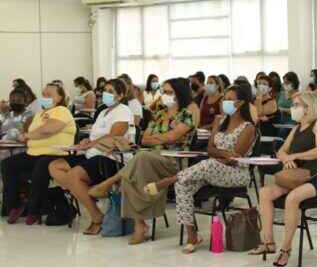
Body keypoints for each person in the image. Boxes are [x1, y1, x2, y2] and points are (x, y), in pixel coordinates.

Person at [87, 78, 197, 244]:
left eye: (169, 92)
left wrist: (159, 138)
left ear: (179, 94)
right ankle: (140, 225)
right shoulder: (159, 112)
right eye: (163, 91)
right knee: (135, 172)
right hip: (149, 159)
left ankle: (110, 182)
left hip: (173, 161)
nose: (164, 95)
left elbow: (172, 137)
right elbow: (145, 139)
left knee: (140, 157)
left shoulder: (186, 115)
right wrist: (162, 139)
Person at [157, 85, 257, 253]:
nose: (224, 102)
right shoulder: (219, 121)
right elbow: (209, 149)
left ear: (241, 103)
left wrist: (221, 156)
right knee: (183, 185)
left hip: (236, 173)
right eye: (224, 98)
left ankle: (168, 180)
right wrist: (222, 154)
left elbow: (235, 157)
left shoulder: (248, 128)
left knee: (207, 164)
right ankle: (192, 236)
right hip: (211, 170)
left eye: (229, 99)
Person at [250, 92, 317, 267]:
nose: (293, 109)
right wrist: (286, 158)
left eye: (296, 105)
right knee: (265, 192)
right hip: (296, 177)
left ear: (308, 107)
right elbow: (281, 151)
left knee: (292, 198)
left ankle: (286, 249)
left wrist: (293, 156)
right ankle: (269, 242)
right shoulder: (296, 128)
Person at [48, 79, 132, 235]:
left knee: (74, 175)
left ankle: (96, 217)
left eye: (110, 91)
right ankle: (85, 192)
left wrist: (90, 144)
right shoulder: (102, 112)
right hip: (92, 154)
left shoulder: (123, 110)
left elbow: (114, 136)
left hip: (111, 158)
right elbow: (96, 137)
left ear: (120, 96)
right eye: (104, 90)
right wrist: (87, 141)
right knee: (55, 166)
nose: (105, 94)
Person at [1, 83, 77, 224]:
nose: (45, 97)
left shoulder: (62, 110)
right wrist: (26, 135)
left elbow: (48, 130)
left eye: (49, 95)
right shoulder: (39, 114)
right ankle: (14, 206)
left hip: (55, 153)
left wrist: (28, 135)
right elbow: (32, 130)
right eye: (43, 94)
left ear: (59, 97)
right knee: (7, 164)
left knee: (40, 167)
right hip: (34, 153)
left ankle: (34, 210)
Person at [0, 88, 34, 159]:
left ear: (25, 101)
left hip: (21, 150)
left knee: (13, 131)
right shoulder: (7, 114)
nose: (15, 103)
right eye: (13, 100)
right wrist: (2, 112)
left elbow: (25, 131)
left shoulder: (30, 115)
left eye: (19, 100)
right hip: (4, 148)